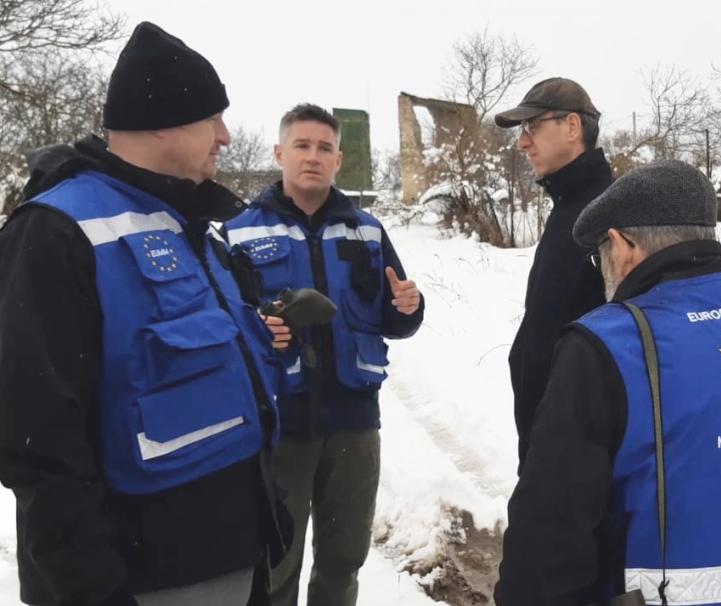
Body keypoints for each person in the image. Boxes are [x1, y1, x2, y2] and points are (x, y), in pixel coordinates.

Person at [0, 22, 291, 606]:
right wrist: (91, 589)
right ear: (161, 119)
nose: (227, 136)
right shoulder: (56, 233)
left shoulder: (187, 224)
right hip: (144, 579)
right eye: (213, 118)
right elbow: (36, 443)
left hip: (238, 552)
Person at [495, 160, 721, 605]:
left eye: (599, 257)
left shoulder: (608, 347)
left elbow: (546, 548)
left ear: (622, 244)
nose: (602, 269)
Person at [225, 103, 423, 606]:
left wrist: (409, 307)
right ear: (279, 153)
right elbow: (221, 327)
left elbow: (394, 317)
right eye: (302, 145)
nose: (313, 157)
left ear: (339, 160)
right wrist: (256, 327)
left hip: (354, 426)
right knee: (275, 565)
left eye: (325, 148)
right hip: (278, 426)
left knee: (343, 560)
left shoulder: (369, 231)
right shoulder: (237, 232)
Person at [494, 77, 613, 467]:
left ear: (572, 127)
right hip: (550, 441)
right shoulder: (569, 207)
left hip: (576, 452)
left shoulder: (607, 214)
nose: (522, 142)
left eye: (532, 127)